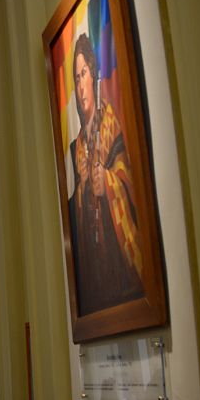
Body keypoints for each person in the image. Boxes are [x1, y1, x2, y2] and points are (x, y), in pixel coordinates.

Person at [68, 32, 144, 315]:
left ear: (94, 76)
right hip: (96, 274)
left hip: (120, 268)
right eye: (76, 78)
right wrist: (84, 187)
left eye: (84, 73)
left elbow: (129, 178)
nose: (80, 85)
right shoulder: (77, 147)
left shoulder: (110, 123)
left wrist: (109, 183)